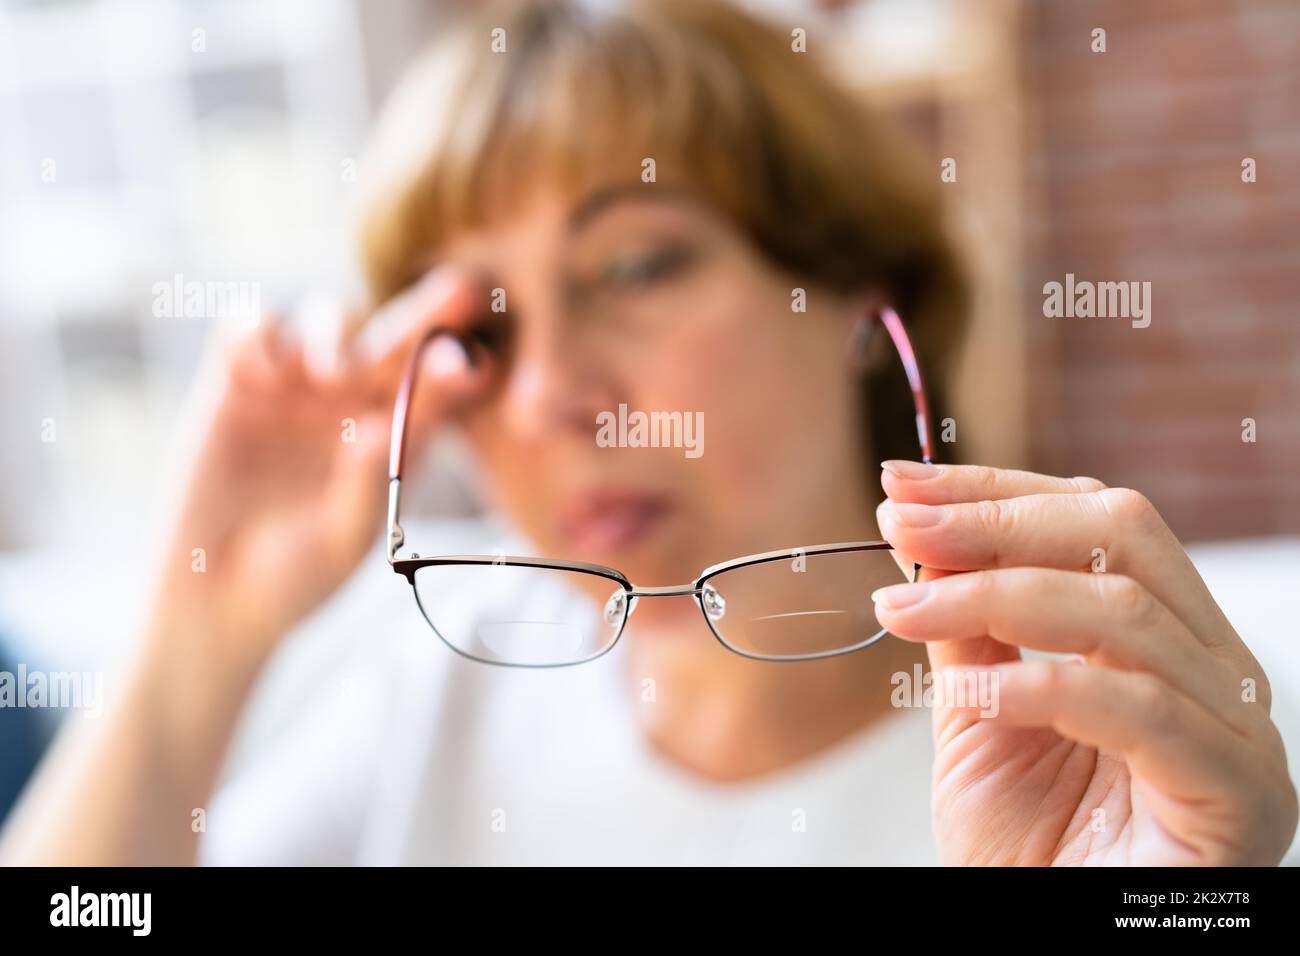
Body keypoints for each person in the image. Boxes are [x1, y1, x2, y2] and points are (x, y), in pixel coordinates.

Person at [1, 0, 1294, 866]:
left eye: (633, 269)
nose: (553, 394)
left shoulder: (1102, 765)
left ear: (856, 293)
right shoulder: (441, 687)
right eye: (485, 333)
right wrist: (203, 623)